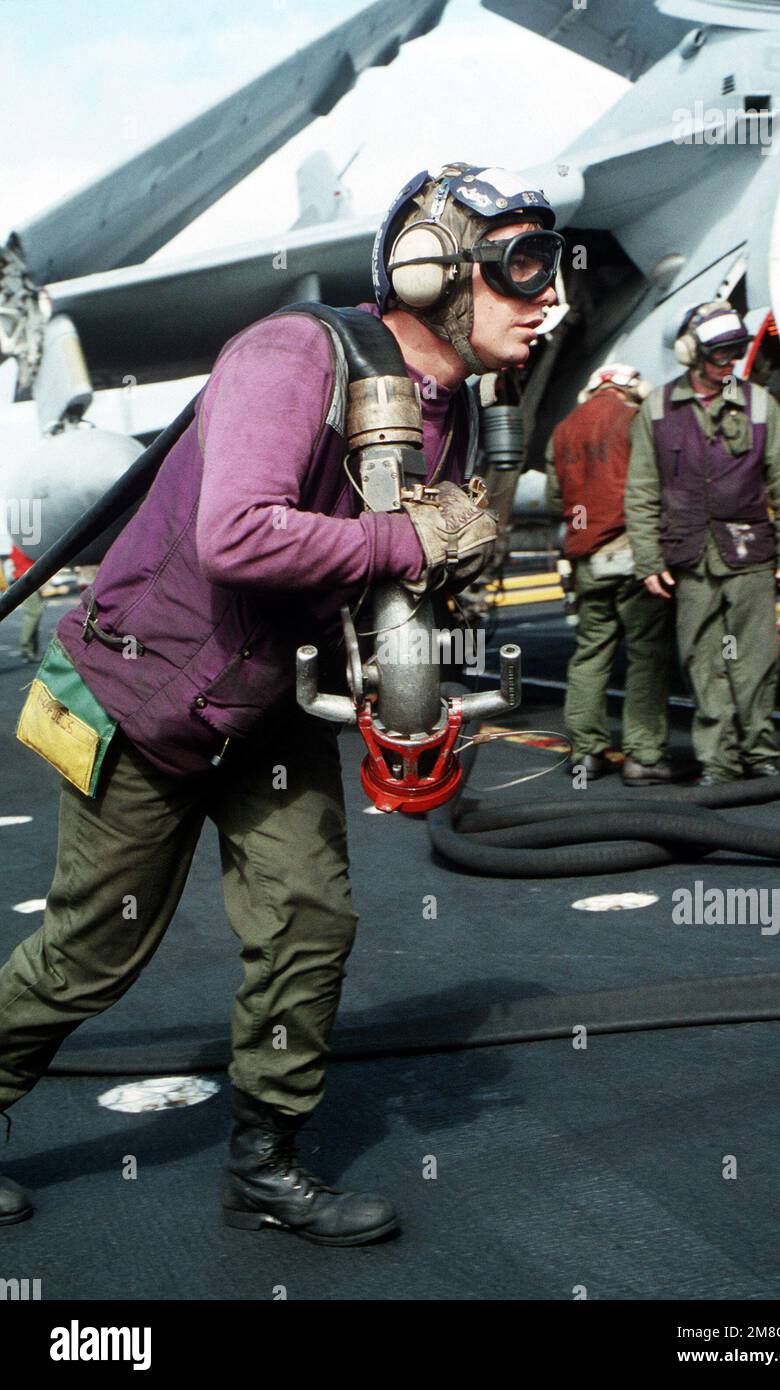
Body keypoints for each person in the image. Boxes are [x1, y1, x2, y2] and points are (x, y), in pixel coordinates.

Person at [0, 163, 562, 1240]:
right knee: (88, 955)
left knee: (311, 920)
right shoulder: (292, 354)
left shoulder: (444, 411)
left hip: (269, 711)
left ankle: (265, 1166)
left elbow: (372, 570)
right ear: (431, 270)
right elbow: (238, 534)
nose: (547, 298)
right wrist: (419, 535)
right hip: (146, 701)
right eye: (521, 269)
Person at [625, 302, 780, 786]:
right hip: (688, 557)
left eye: (735, 352)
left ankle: (759, 751)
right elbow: (642, 491)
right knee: (702, 663)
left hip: (749, 555)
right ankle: (718, 760)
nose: (728, 363)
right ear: (692, 354)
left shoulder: (760, 405)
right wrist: (647, 559)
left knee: (755, 660)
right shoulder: (658, 409)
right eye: (718, 354)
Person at [546, 365, 674, 785]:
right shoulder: (636, 420)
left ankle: (586, 754)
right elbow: (658, 485)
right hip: (635, 550)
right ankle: (644, 756)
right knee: (646, 654)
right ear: (630, 389)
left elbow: (554, 499)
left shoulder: (563, 429)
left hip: (588, 557)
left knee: (590, 653)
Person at [5, 545, 45, 662]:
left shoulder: (19, 543)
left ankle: (33, 650)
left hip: (26, 579)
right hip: (28, 580)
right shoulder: (26, 544)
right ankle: (27, 648)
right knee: (33, 614)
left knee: (34, 615)